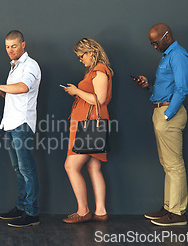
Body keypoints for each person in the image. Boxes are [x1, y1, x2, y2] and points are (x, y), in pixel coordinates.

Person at [135, 23, 188, 226]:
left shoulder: (178, 55)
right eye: (152, 44)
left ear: (167, 36)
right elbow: (167, 87)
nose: (155, 47)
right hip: (160, 110)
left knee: (174, 165)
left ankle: (177, 213)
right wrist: (149, 86)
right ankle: (169, 208)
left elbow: (182, 89)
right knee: (167, 164)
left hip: (169, 115)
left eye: (156, 43)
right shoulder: (167, 55)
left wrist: (168, 115)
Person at [0, 30, 41, 227]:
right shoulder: (14, 66)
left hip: (22, 123)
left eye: (14, 46)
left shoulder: (31, 65)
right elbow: (14, 95)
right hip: (10, 123)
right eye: (7, 46)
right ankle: (22, 207)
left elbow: (24, 87)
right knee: (18, 168)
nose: (10, 50)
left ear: (23, 45)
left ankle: (32, 213)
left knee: (26, 168)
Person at [61, 38, 113, 224]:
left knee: (71, 166)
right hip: (87, 125)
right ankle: (100, 211)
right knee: (93, 167)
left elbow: (99, 99)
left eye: (81, 55)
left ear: (91, 52)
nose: (80, 59)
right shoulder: (94, 71)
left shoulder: (99, 71)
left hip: (89, 126)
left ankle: (83, 210)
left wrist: (76, 91)